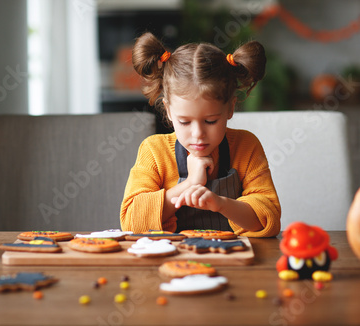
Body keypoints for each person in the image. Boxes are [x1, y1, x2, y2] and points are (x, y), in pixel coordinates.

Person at [120, 32, 281, 237]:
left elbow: (270, 219)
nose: (198, 134)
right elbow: (131, 221)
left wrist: (220, 204)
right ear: (168, 110)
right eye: (185, 122)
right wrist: (190, 185)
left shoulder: (246, 146)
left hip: (233, 262)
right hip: (173, 261)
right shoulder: (154, 152)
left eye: (211, 121)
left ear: (230, 108)